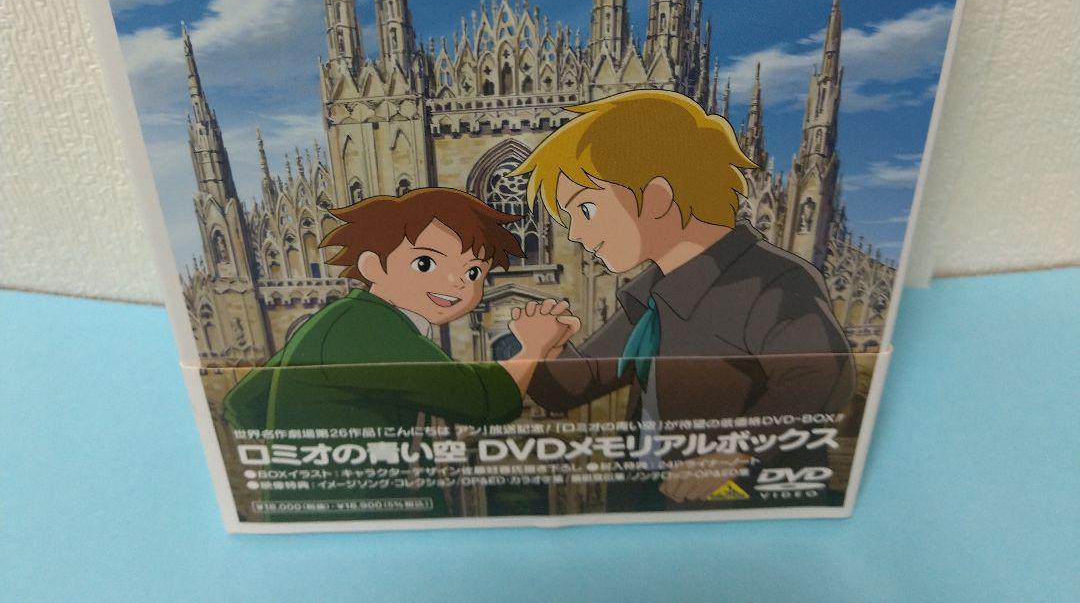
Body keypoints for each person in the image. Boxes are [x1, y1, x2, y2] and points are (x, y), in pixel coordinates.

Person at [509, 89, 855, 508]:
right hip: (648, 500)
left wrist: (736, 450)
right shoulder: (651, 297)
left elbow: (823, 372)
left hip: (743, 512)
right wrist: (544, 348)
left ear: (657, 197)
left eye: (586, 210)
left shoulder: (771, 279)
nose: (577, 234)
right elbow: (576, 385)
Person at [223, 187, 575, 517]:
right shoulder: (369, 328)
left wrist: (318, 455)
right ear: (373, 266)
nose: (457, 282)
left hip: (327, 513)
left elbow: (243, 404)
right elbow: (487, 403)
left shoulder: (341, 319)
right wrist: (533, 346)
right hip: (362, 516)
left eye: (473, 272)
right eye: (425, 264)